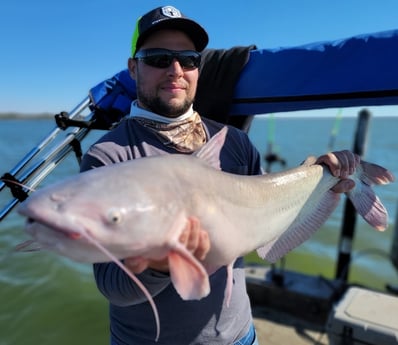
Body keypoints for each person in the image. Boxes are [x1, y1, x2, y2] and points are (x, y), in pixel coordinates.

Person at [80, 5, 359, 345]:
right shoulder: (109, 157)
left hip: (240, 334)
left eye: (189, 59)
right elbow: (112, 285)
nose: (176, 70)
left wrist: (318, 178)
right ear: (133, 68)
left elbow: (267, 222)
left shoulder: (234, 142)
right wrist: (159, 264)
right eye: (158, 58)